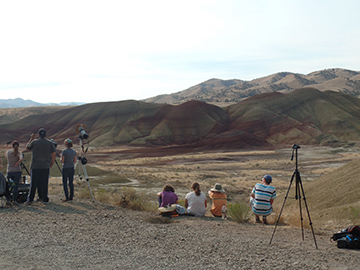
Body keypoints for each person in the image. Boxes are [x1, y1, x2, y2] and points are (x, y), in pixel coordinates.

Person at [25, 128, 56, 204]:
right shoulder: (49, 143)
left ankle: (30, 199)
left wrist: (31, 139)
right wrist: (52, 163)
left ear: (39, 135)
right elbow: (54, 153)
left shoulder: (35, 142)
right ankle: (44, 199)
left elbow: (27, 148)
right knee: (44, 183)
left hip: (36, 166)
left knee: (34, 183)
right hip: (45, 166)